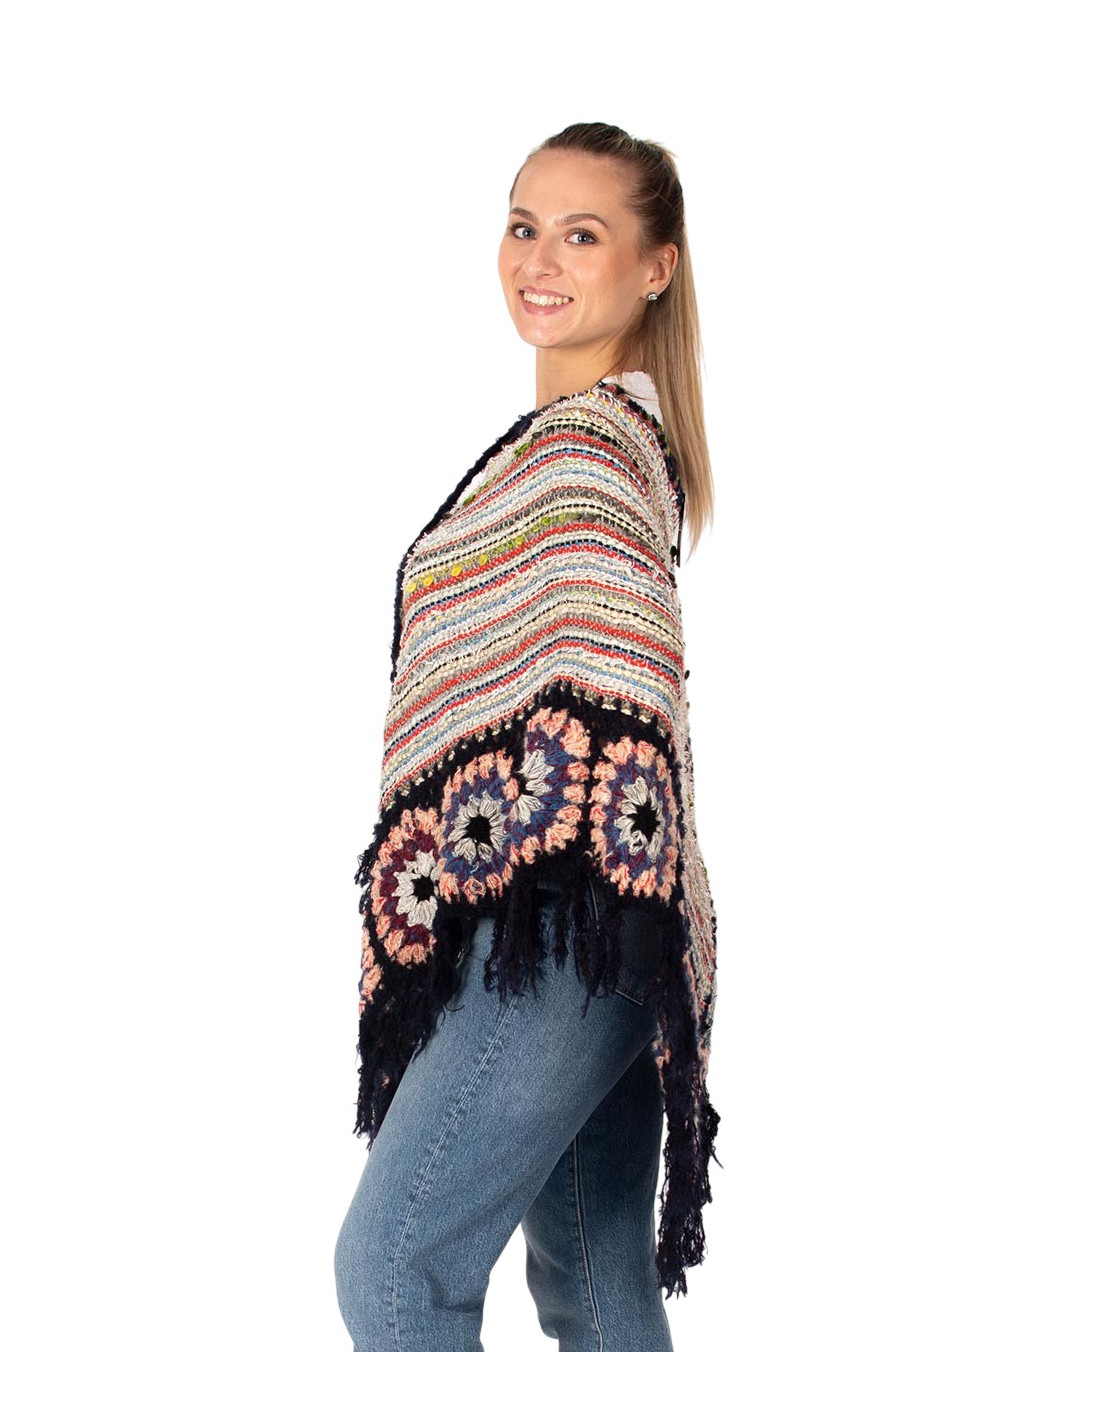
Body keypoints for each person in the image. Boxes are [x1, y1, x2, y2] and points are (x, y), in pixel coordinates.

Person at [334, 121, 720, 1352]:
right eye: (521, 226)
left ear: (653, 267)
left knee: (392, 1266)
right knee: (593, 1292)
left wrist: (557, 867)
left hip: (564, 923)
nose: (537, 260)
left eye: (581, 234)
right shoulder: (604, 439)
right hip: (602, 928)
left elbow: (623, 685)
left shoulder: (588, 448)